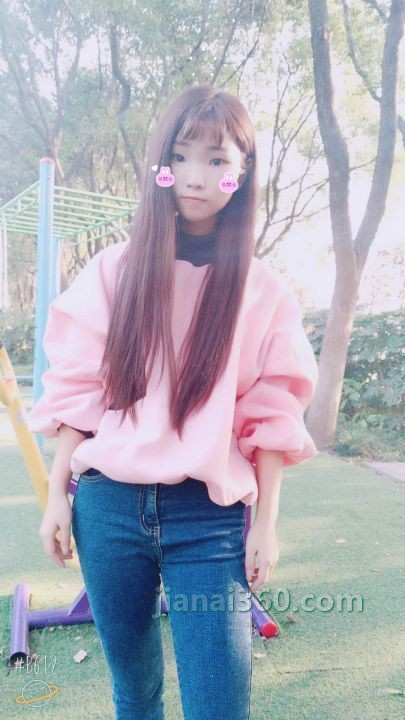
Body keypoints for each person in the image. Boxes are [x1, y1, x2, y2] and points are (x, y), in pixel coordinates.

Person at [28, 85, 319, 720]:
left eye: (216, 160)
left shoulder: (262, 290)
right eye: (181, 156)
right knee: (135, 692)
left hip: (208, 517)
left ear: (242, 172)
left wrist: (266, 523)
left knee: (219, 704)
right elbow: (80, 392)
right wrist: (56, 495)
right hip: (108, 508)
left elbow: (271, 413)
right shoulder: (114, 271)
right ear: (160, 163)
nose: (195, 176)